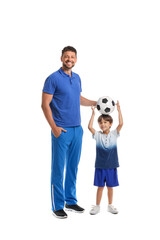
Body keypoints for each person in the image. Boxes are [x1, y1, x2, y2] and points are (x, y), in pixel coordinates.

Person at [41, 46, 97, 219]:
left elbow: (78, 98)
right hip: (61, 131)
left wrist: (96, 102)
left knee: (73, 167)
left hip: (77, 130)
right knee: (58, 169)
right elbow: (45, 104)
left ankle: (70, 201)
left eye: (72, 57)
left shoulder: (77, 78)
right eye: (66, 56)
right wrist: (54, 128)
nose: (69, 59)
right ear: (61, 58)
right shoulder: (52, 79)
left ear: (76, 59)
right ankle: (57, 206)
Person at [88, 101, 123, 215]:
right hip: (100, 166)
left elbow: (121, 124)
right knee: (100, 187)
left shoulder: (114, 134)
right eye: (101, 123)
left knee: (110, 187)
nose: (103, 124)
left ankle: (110, 205)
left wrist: (119, 110)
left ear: (110, 124)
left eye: (105, 122)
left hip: (111, 166)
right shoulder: (97, 135)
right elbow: (89, 127)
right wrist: (93, 114)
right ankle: (97, 206)